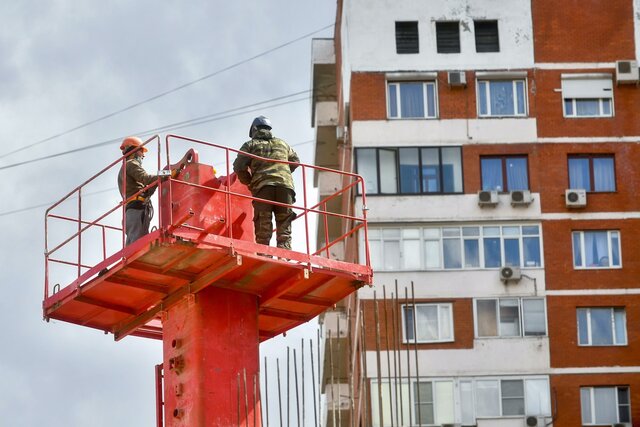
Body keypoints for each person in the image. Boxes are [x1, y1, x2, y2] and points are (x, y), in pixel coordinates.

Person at [233, 116, 300, 250]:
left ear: (254, 130)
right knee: (284, 221)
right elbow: (295, 161)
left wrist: (250, 182)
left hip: (263, 188)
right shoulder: (283, 144)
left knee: (263, 223)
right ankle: (284, 252)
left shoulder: (250, 145)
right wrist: (283, 175)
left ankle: (264, 252)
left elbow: (239, 166)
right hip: (285, 188)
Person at [118, 136, 160, 245]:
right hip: (136, 209)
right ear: (134, 151)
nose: (143, 155)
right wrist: (165, 174)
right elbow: (146, 179)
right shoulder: (131, 164)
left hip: (131, 210)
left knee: (133, 242)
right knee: (138, 244)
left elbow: (146, 188)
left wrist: (157, 182)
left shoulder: (123, 170)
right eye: (141, 152)